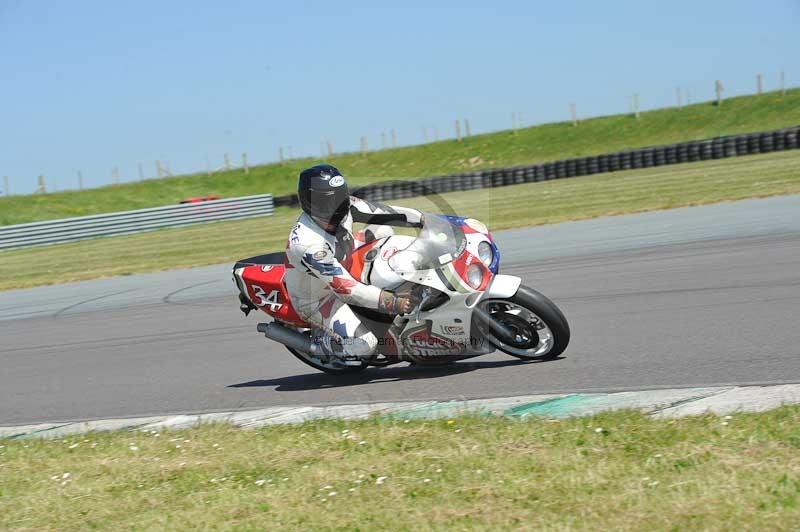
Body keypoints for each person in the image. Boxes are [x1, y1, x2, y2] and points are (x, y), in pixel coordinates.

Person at [284, 164, 423, 366]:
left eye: (339, 196)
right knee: (364, 345)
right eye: (328, 200)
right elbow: (346, 289)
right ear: (310, 201)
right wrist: (393, 302)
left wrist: (427, 220)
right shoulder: (307, 243)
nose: (336, 205)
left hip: (345, 259)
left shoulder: (345, 205)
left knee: (384, 230)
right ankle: (324, 344)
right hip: (320, 298)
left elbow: (388, 212)